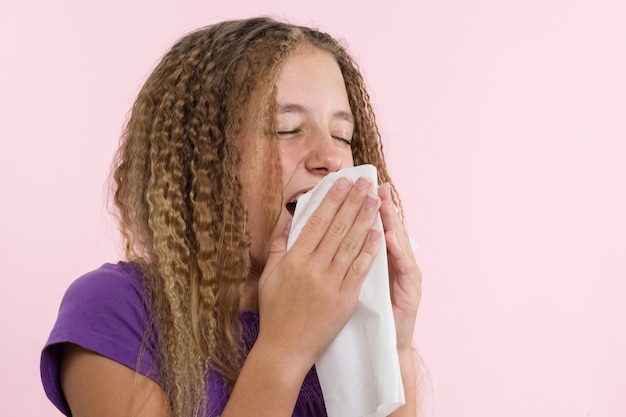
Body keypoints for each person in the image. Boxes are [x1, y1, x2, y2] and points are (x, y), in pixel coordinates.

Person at [40, 16, 422, 417]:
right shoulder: (115, 309)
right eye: (287, 129)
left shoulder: (345, 316)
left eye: (343, 136)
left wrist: (393, 347)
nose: (330, 157)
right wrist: (285, 348)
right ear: (203, 162)